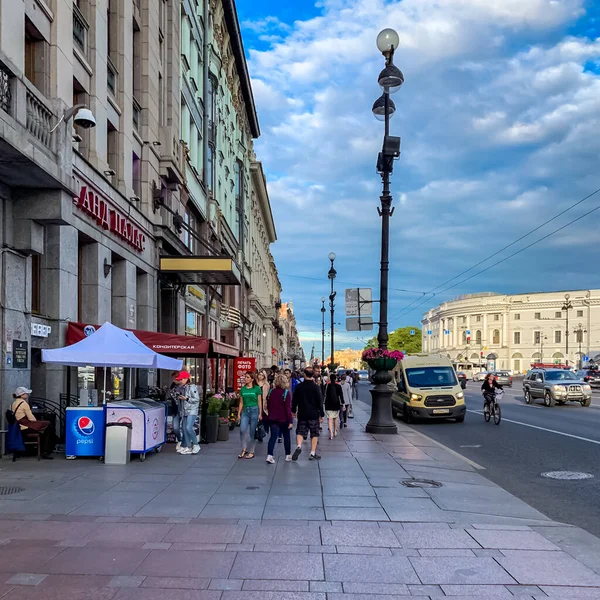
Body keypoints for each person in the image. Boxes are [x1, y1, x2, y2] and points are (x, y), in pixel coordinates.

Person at [10, 387, 56, 459]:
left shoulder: (14, 403)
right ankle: (45, 451)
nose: (27, 395)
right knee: (48, 426)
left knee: (44, 427)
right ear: (22, 395)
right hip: (25, 426)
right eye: (26, 394)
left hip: (18, 426)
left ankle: (41, 449)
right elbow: (32, 418)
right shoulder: (24, 403)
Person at [291, 367, 324, 461]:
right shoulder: (315, 387)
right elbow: (319, 401)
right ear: (312, 375)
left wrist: (293, 411)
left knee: (300, 431)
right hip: (313, 413)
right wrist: (321, 414)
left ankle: (299, 446)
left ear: (304, 375)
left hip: (302, 413)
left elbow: (294, 400)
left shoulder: (299, 387)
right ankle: (312, 453)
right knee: (314, 433)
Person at [265, 373, 293, 464]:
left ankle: (269, 455)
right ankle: (288, 455)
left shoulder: (271, 392)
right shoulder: (286, 393)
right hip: (283, 419)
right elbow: (288, 409)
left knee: (273, 437)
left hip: (272, 418)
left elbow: (268, 405)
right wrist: (290, 421)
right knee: (286, 436)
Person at [237, 371, 263, 459]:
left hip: (254, 410)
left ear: (252, 379)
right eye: (245, 377)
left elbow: (260, 402)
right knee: (242, 430)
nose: (245, 378)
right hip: (245, 411)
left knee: (252, 431)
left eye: (247, 377)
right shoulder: (243, 389)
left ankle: (251, 451)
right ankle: (244, 448)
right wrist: (238, 414)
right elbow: (241, 402)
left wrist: (260, 413)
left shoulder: (257, 388)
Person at [174, 371, 200, 455]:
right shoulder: (184, 387)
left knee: (188, 428)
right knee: (184, 428)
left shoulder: (192, 387)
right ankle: (188, 447)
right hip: (185, 411)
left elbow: (196, 399)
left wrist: (186, 399)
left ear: (186, 379)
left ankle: (196, 445)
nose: (180, 381)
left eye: (181, 379)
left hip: (192, 410)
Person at [324, 373, 344, 439]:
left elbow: (323, 394)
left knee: (329, 418)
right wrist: (343, 404)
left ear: (330, 379)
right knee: (335, 418)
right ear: (335, 379)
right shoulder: (338, 386)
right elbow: (341, 396)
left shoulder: (326, 386)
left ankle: (331, 433)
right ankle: (335, 431)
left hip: (328, 403)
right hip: (336, 403)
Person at [168, 371, 183, 451]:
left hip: (183, 408)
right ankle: (180, 440)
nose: (173, 380)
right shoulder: (173, 385)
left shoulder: (184, 386)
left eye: (175, 378)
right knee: (175, 427)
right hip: (176, 408)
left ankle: (184, 443)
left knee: (184, 427)